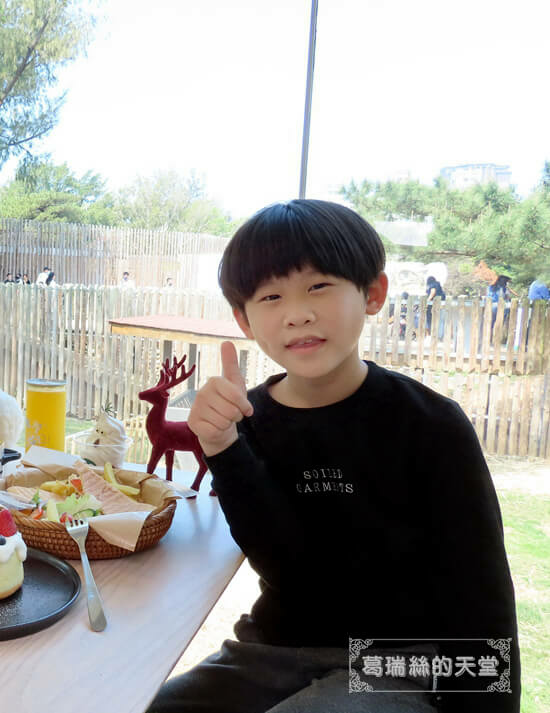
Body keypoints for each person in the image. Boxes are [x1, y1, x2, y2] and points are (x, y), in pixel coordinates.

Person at [149, 199, 519, 713]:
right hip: (269, 653)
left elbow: (483, 594)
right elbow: (283, 563)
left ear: (373, 293)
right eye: (271, 295)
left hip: (400, 663)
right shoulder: (246, 420)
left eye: (318, 286)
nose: (297, 312)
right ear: (244, 319)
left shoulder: (430, 424)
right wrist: (222, 448)